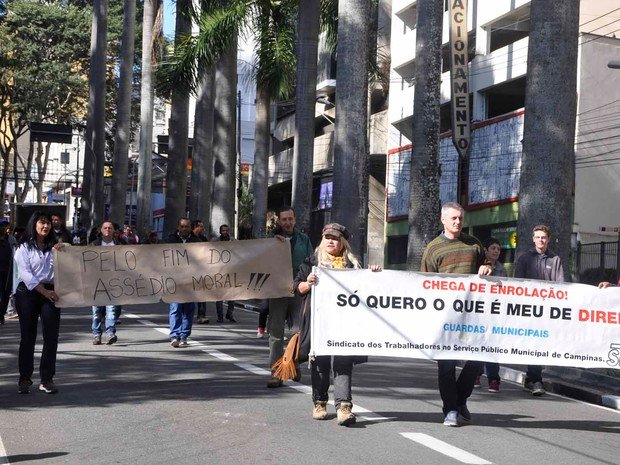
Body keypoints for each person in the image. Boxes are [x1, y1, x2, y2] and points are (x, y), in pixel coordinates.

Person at [295, 223, 381, 426]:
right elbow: (297, 287)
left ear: (343, 242)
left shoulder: (353, 266)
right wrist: (308, 283)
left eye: (335, 238)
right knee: (320, 363)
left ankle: (344, 407)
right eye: (327, 237)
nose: (331, 241)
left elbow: (367, 289)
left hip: (345, 323)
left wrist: (373, 273)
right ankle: (320, 402)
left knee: (343, 363)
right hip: (319, 322)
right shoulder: (312, 262)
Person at [420, 202, 492, 426]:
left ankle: (460, 398)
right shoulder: (433, 248)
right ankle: (450, 409)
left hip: (473, 316)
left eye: (460, 218)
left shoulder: (474, 244)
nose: (458, 222)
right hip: (445, 318)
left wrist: (487, 267)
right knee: (447, 366)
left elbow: (487, 264)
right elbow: (425, 283)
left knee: (478, 359)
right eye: (453, 218)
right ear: (443, 220)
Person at [14, 211, 65, 394]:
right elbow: (26, 275)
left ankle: (47, 379)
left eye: (48, 223)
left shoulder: (56, 248)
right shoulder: (24, 247)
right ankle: (25, 379)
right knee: (28, 337)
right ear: (34, 225)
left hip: (50, 293)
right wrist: (44, 291)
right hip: (27, 293)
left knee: (51, 337)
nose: (46, 226)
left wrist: (64, 251)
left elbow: (69, 268)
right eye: (42, 223)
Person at [514, 224, 564, 397]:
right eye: (538, 237)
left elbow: (560, 285)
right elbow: (517, 285)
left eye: (544, 237)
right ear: (533, 239)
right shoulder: (524, 259)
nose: (541, 240)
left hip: (547, 310)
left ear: (548, 239)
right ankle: (535, 380)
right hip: (529, 310)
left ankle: (531, 378)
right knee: (533, 342)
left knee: (541, 343)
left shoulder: (555, 259)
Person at [266, 207, 313, 387]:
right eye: (284, 219)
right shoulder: (271, 240)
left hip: (298, 290)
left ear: (295, 220)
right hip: (277, 290)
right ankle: (276, 372)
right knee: (276, 333)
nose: (287, 223)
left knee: (297, 332)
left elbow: (311, 261)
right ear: (279, 221)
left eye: (290, 219)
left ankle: (292, 364)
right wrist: (273, 244)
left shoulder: (304, 239)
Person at [474, 237, 507, 393]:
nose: (496, 251)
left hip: (495, 313)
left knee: (492, 347)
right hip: (479, 312)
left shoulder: (502, 270)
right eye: (493, 248)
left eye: (498, 249)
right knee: (477, 344)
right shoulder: (477, 266)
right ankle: (475, 374)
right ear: (486, 250)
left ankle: (494, 379)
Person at [166, 218, 199, 347]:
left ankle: (184, 335)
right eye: (182, 226)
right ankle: (175, 335)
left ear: (191, 227)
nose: (184, 229)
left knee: (189, 309)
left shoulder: (197, 242)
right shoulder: (169, 241)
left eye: (187, 227)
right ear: (178, 227)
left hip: (191, 281)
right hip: (174, 280)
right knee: (175, 308)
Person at [90, 221, 122, 345]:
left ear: (114, 230)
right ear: (101, 230)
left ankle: (110, 333)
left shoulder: (119, 245)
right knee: (97, 311)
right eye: (105, 228)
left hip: (113, 282)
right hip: (97, 283)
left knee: (111, 310)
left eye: (110, 228)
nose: (108, 229)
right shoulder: (94, 245)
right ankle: (96, 335)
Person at [214, 224, 236, 323]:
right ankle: (220, 316)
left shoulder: (234, 242)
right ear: (220, 232)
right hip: (219, 272)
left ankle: (230, 313)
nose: (225, 232)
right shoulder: (214, 242)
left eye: (227, 230)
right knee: (219, 296)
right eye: (223, 230)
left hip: (231, 271)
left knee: (232, 295)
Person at [192, 220, 209, 324]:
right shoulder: (189, 239)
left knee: (202, 294)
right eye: (201, 226)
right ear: (195, 227)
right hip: (188, 271)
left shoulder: (203, 239)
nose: (202, 228)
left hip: (201, 270)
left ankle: (201, 315)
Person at [0, 221, 14, 325]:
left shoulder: (11, 239)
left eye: (5, 226)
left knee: (6, 294)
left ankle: (2, 314)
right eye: (1, 226)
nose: (4, 228)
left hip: (8, 272)